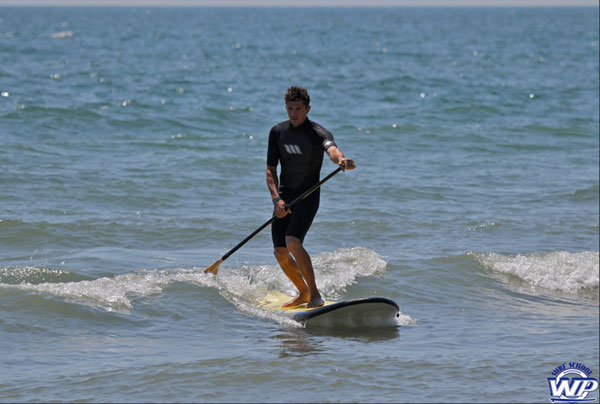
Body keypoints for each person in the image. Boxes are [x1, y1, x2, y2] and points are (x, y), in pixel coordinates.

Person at [266, 86, 356, 308]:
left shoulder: (318, 133)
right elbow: (270, 170)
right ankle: (303, 292)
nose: (293, 113)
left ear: (307, 109)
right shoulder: (277, 132)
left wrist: (341, 161)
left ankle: (315, 295)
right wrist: (277, 200)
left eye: (298, 109)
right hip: (285, 197)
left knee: (292, 241)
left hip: (308, 195)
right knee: (280, 251)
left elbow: (332, 149)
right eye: (290, 109)